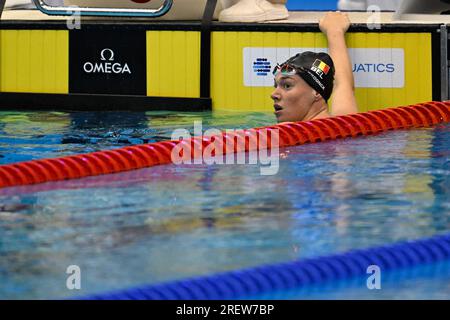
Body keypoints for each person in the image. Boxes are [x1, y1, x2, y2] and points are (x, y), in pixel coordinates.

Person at [271, 11, 358, 123]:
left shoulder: (287, 133)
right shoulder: (347, 124)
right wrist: (335, 31)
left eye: (287, 85)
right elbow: (343, 84)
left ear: (317, 93)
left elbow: (342, 84)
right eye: (276, 85)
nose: (273, 95)